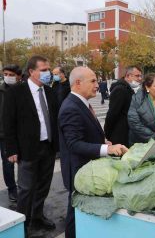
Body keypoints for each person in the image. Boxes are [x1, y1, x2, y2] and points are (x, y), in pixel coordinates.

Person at [58, 67, 128, 238]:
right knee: (74, 213)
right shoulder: (71, 107)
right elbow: (74, 144)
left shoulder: (82, 103)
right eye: (93, 81)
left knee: (78, 212)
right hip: (78, 171)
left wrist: (103, 142)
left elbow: (84, 134)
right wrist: (107, 149)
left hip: (87, 168)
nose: (98, 85)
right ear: (78, 83)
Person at [4, 56, 59, 233]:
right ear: (31, 72)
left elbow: (54, 119)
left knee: (43, 186)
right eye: (43, 70)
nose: (47, 73)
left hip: (48, 147)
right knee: (26, 189)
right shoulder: (16, 92)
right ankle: (23, 223)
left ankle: (37, 216)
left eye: (48, 69)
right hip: (27, 149)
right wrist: (11, 149)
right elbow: (8, 122)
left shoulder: (49, 92)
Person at [104, 66, 142, 147]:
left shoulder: (129, 89)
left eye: (140, 76)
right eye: (137, 76)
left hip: (127, 133)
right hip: (120, 135)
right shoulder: (120, 90)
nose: (140, 78)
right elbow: (112, 114)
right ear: (128, 76)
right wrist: (107, 134)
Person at [0, 64, 22, 202]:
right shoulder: (1, 91)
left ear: (18, 76)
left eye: (11, 75)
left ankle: (24, 187)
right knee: (8, 164)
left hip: (22, 133)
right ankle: (12, 190)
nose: (7, 77)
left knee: (24, 162)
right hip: (4, 135)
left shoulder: (23, 90)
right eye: (5, 74)